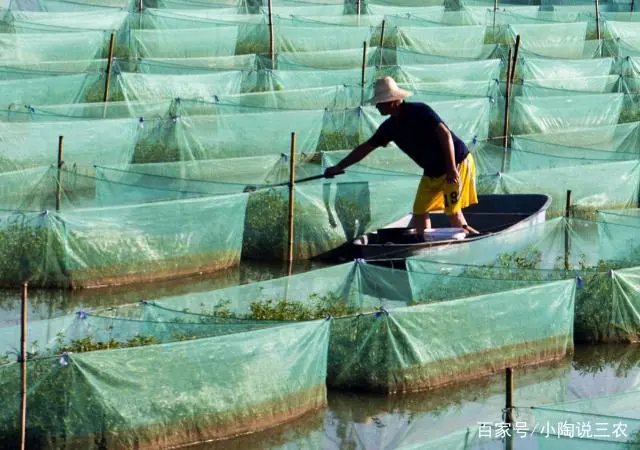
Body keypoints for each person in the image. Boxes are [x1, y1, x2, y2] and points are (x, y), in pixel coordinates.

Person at [324, 76, 480, 238]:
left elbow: (445, 134)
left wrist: (451, 169)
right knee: (419, 212)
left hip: (455, 162)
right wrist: (338, 167)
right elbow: (365, 148)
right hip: (432, 171)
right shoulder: (390, 127)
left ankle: (473, 242)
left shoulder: (420, 111)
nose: (377, 106)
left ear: (391, 101)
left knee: (453, 212)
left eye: (379, 102)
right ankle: (425, 245)